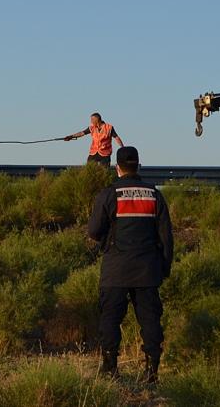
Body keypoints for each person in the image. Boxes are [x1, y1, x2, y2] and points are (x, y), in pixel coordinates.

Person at [87, 146, 174, 384]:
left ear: (117, 168)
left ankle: (110, 368)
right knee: (149, 320)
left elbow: (94, 231)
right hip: (147, 270)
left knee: (110, 319)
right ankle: (152, 371)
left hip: (116, 268)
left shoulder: (109, 194)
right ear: (138, 166)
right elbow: (166, 237)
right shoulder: (154, 195)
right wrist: (164, 268)